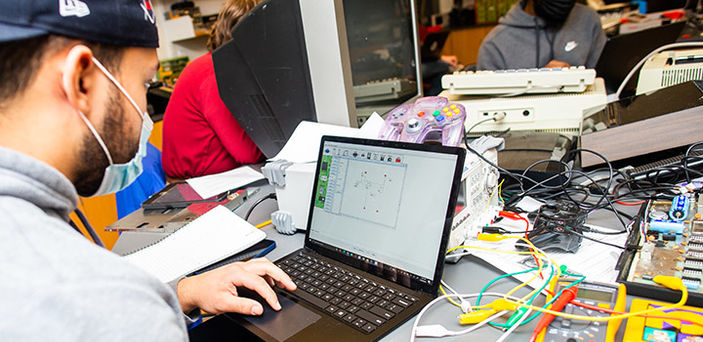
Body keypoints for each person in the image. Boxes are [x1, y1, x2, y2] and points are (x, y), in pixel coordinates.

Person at [0, 1, 294, 340]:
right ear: (81, 80)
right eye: (145, 82)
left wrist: (182, 291)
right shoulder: (127, 314)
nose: (145, 108)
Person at [162, 0, 264, 180]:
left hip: (210, 179)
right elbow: (248, 154)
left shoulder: (212, 66)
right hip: (199, 187)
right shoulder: (214, 73)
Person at [477, 0, 606, 70]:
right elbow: (491, 109)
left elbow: (605, 85)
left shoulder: (588, 20)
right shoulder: (495, 45)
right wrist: (539, 83)